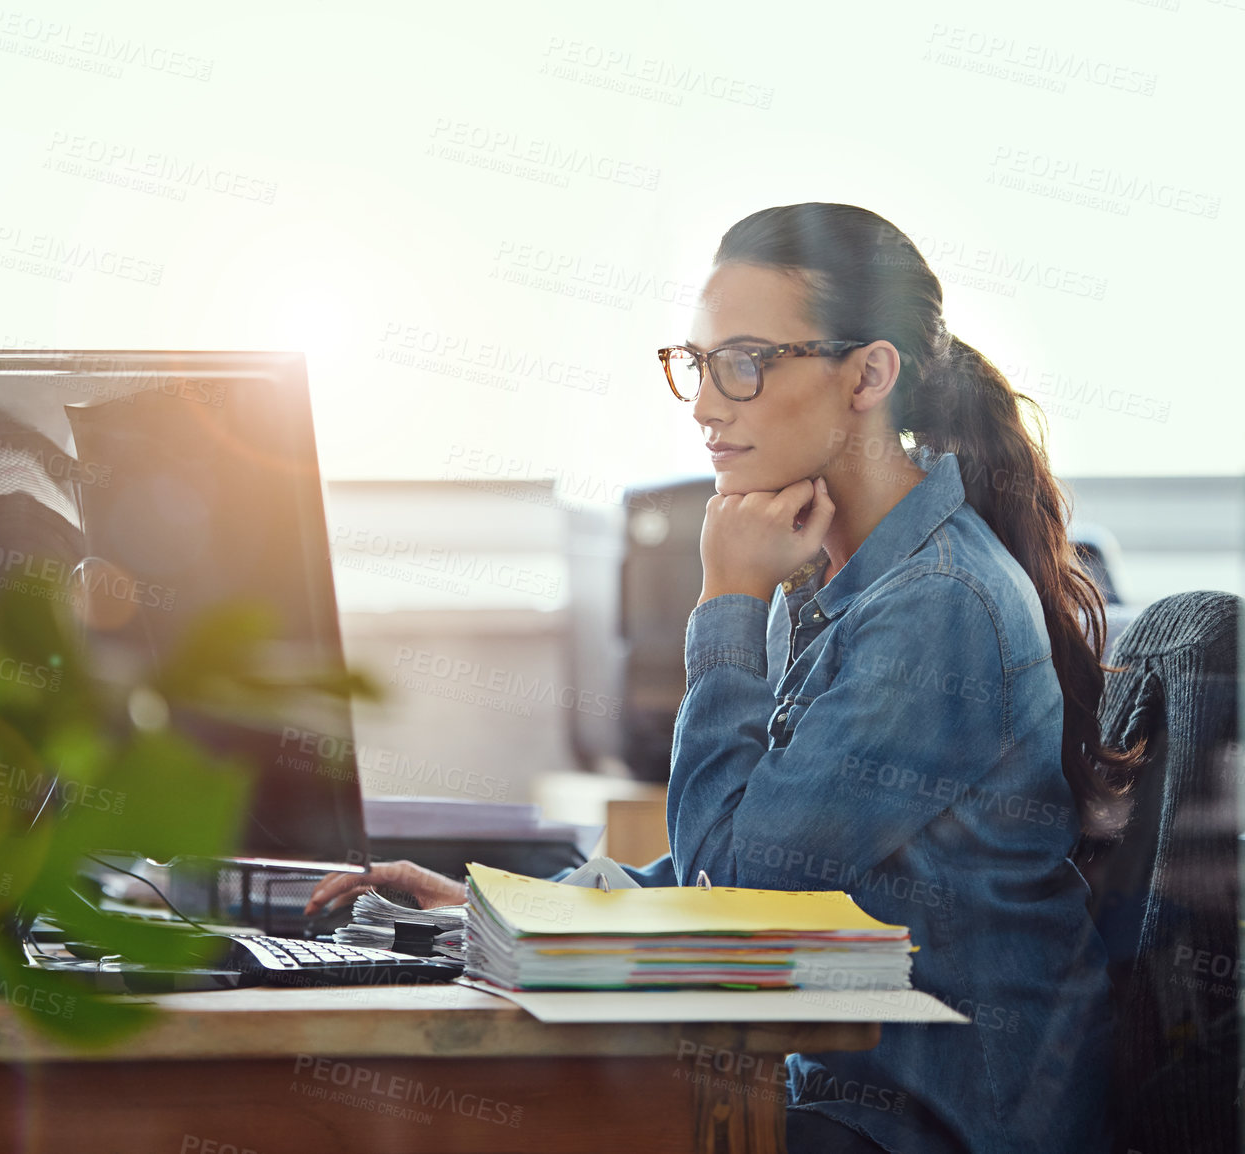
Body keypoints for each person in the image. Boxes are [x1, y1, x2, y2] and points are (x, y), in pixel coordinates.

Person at [307, 202, 1141, 1154]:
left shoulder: (936, 605)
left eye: (744, 362)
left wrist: (727, 600)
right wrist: (500, 916)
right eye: (696, 364)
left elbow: (733, 888)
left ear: (869, 373)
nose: (706, 404)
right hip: (848, 1095)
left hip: (927, 1126)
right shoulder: (839, 581)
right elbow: (745, 861)